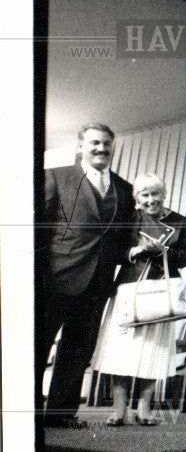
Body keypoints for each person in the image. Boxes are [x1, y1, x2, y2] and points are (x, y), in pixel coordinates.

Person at [36, 123, 135, 428]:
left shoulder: (123, 189)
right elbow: (38, 231)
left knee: (78, 352)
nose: (101, 149)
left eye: (107, 143)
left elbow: (121, 240)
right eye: (94, 143)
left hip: (97, 285)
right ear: (80, 146)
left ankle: (61, 415)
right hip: (54, 279)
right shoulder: (55, 177)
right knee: (37, 348)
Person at [91, 173, 186, 425]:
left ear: (164, 194)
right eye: (144, 195)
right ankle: (118, 410)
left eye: (155, 194)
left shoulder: (181, 222)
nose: (151, 200)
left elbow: (185, 258)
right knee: (121, 350)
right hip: (128, 290)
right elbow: (113, 250)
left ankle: (144, 409)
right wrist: (132, 252)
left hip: (160, 292)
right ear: (137, 199)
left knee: (153, 351)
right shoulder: (131, 219)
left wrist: (164, 251)